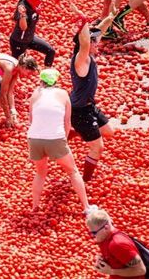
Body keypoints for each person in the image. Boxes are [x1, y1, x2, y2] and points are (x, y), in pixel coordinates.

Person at [27, 69, 97, 214]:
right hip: (55, 138)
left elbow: (31, 120)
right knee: (72, 171)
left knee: (40, 173)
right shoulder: (63, 94)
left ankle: (35, 206)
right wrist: (63, 140)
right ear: (56, 81)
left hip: (34, 139)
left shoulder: (35, 94)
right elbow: (67, 122)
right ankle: (86, 207)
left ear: (41, 81)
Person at [69, 4, 116, 182]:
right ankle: (86, 180)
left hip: (89, 106)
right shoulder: (81, 60)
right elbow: (86, 41)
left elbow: (98, 32)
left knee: (109, 132)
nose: (98, 44)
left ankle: (73, 131)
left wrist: (110, 17)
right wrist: (82, 19)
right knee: (98, 148)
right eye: (95, 42)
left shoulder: (90, 55)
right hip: (80, 111)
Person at [86, 209, 146, 278]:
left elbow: (141, 270)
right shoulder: (105, 238)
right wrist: (104, 259)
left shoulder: (118, 244)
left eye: (94, 233)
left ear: (106, 228)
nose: (92, 236)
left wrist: (111, 271)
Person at [9, 0, 55, 69]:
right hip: (19, 42)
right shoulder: (23, 8)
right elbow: (23, 27)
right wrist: (22, 15)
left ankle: (46, 76)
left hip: (30, 38)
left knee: (50, 51)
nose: (42, 0)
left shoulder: (33, 3)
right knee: (16, 67)